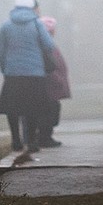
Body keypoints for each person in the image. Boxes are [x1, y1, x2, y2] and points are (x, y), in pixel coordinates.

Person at [0, 0, 57, 155]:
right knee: (33, 108)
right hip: (34, 73)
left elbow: (1, 52)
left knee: (12, 108)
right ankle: (31, 141)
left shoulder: (6, 26)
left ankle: (16, 140)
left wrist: (5, 70)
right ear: (31, 8)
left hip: (13, 73)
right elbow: (49, 45)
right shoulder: (37, 24)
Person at [38, 15, 72, 148]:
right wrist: (57, 78)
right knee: (50, 111)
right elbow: (49, 66)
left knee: (52, 110)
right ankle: (45, 137)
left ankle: (46, 136)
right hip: (50, 84)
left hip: (53, 83)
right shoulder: (47, 46)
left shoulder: (48, 44)